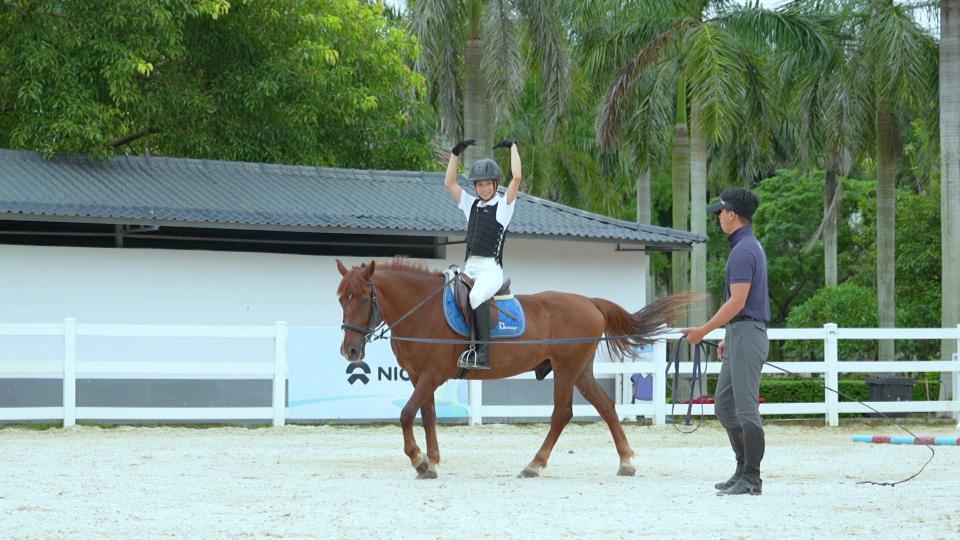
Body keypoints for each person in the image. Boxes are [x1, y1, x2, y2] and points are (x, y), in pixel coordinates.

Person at [681, 186, 770, 496]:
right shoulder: (746, 246)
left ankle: (752, 477)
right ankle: (742, 468)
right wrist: (727, 335)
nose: (718, 218)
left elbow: (737, 301)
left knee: (745, 408)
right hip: (739, 333)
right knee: (724, 405)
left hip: (746, 332)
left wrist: (703, 331)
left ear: (732, 215)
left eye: (720, 213)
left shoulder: (744, 251)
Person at [443, 138, 522, 369]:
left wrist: (513, 147)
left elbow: (516, 177)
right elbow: (449, 183)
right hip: (470, 268)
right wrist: (455, 153)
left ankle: (483, 354)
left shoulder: (504, 206)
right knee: (447, 294)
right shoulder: (471, 205)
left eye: (488, 184)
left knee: (476, 297)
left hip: (491, 271)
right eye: (479, 185)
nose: (484, 188)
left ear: (495, 184)